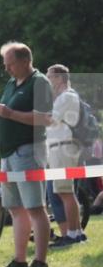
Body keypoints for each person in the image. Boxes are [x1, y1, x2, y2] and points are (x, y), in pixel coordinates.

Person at [0, 41, 54, 267]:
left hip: (28, 150)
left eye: (10, 64)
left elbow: (45, 118)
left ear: (25, 61)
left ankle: (41, 261)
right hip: (8, 153)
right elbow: (9, 116)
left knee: (35, 206)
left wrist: (9, 112)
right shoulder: (11, 84)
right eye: (5, 65)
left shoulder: (39, 82)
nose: (7, 69)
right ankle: (20, 259)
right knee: (15, 208)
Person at [45, 64, 87, 247]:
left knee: (65, 192)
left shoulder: (66, 97)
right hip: (62, 146)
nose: (48, 80)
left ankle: (72, 234)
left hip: (63, 146)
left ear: (59, 78)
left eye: (50, 77)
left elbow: (50, 119)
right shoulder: (67, 96)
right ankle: (77, 233)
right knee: (66, 192)